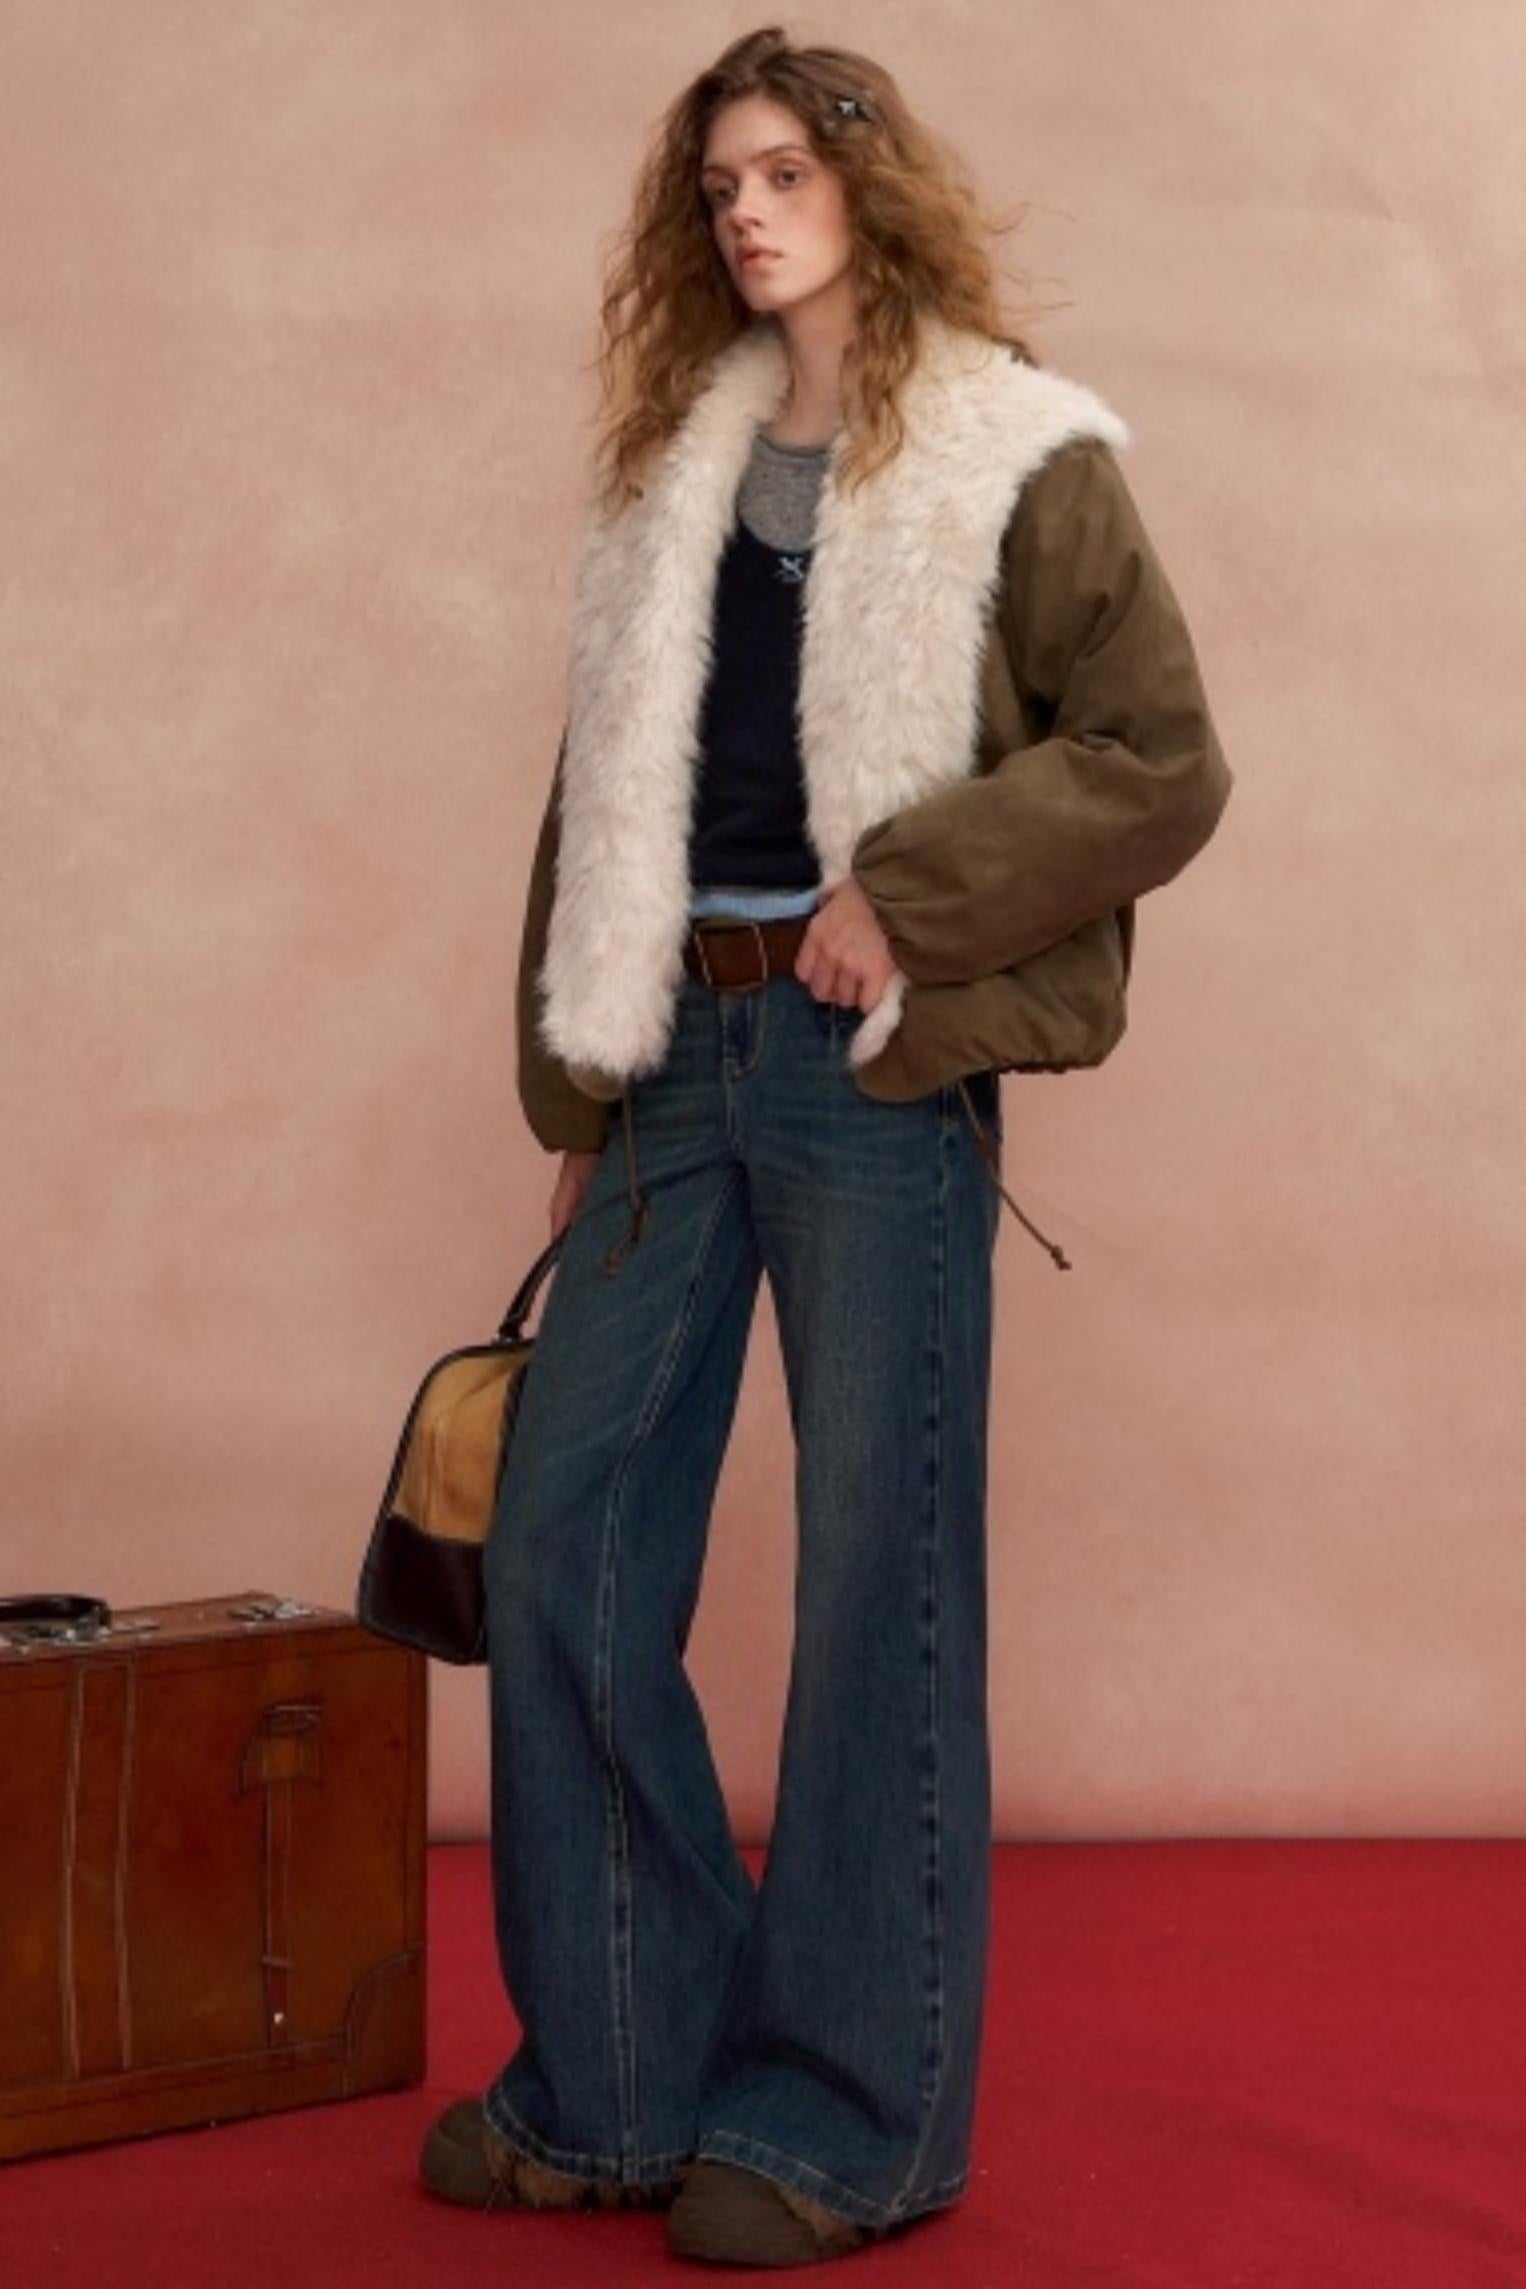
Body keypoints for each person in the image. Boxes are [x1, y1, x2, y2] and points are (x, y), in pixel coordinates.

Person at [420, 24, 1232, 2268]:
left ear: (871, 183)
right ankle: (615, 2077)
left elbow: (1156, 757)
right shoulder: (672, 464)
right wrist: (580, 1085)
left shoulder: (1010, 448)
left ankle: (850, 2121)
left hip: (868, 1061)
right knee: (565, 1546)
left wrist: (918, 893)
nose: (749, 212)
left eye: (784, 170)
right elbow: (600, 791)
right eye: (720, 185)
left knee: (881, 1588)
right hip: (673, 1052)